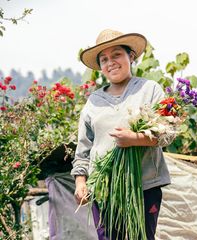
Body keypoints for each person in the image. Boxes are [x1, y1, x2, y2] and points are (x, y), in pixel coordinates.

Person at [71, 29, 171, 240]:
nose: (110, 62)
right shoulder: (93, 102)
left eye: (116, 54)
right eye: (104, 59)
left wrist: (135, 139)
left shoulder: (149, 89)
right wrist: (81, 183)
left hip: (144, 187)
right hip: (103, 190)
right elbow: (83, 150)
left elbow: (167, 133)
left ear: (131, 56)